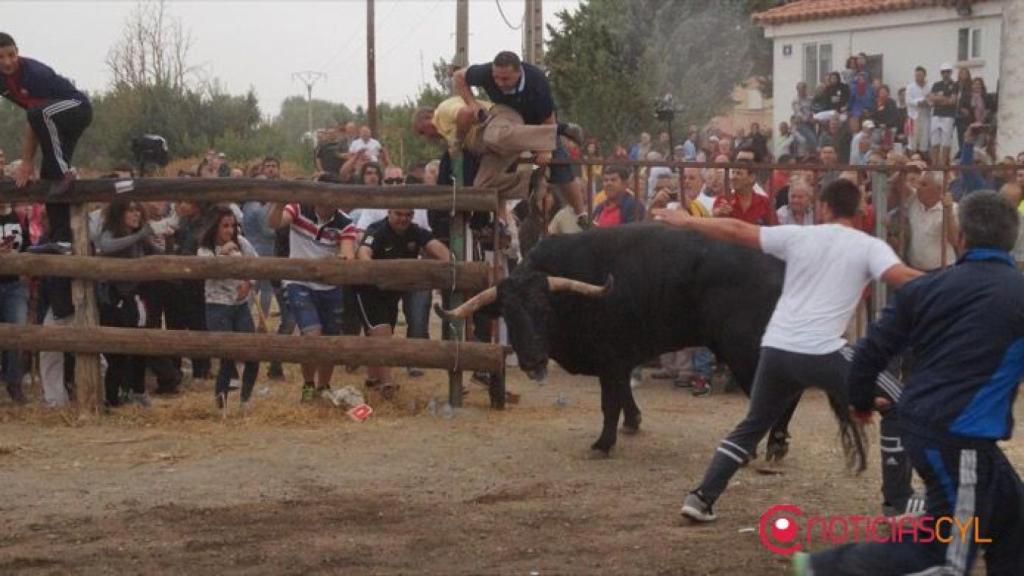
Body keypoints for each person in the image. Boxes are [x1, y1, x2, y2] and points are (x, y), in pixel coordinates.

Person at [654, 178, 921, 523]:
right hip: (823, 351)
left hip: (777, 348)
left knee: (753, 424)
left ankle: (702, 497)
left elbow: (737, 230)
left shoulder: (799, 235)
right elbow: (902, 278)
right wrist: (956, 281)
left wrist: (688, 220)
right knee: (900, 406)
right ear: (859, 211)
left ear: (823, 207)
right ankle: (898, 502)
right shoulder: (868, 246)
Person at [797, 191, 1024, 575]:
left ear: (961, 237)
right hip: (959, 435)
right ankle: (828, 568)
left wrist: (861, 401)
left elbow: (869, 351)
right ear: (1012, 239)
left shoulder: (926, 287)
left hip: (926, 423)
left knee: (1012, 515)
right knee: (947, 554)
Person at [0, 32, 92, 335]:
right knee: (51, 177)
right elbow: (35, 121)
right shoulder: (4, 81)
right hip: (50, 120)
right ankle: (63, 237)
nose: (8, 62)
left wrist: (26, 161)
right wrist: (32, 163)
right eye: (2, 57)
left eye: (11, 55)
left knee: (41, 117)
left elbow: (34, 119)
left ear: (18, 53)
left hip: (75, 109)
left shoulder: (35, 74)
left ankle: (66, 171)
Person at [454, 50, 589, 227]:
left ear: (519, 72)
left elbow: (548, 119)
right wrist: (472, 103)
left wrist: (546, 149)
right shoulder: (486, 72)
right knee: (482, 185)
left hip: (536, 126)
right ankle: (529, 179)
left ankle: (581, 214)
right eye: (496, 78)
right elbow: (458, 76)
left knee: (559, 164)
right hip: (507, 116)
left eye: (506, 79)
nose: (500, 83)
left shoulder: (537, 81)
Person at [267, 185, 357, 402]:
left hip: (330, 286)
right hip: (299, 282)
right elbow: (275, 223)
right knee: (312, 335)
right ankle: (308, 385)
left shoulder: (345, 223)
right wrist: (279, 201)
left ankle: (323, 386)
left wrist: (339, 261)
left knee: (330, 341)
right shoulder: (298, 207)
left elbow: (348, 256)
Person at [355, 209, 450, 398]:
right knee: (381, 333)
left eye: (408, 215)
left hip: (392, 293)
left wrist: (451, 265)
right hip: (368, 291)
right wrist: (374, 271)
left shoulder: (416, 231)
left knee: (381, 333)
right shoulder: (376, 230)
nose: (403, 219)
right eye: (399, 214)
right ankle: (388, 383)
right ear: (389, 213)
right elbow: (364, 253)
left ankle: (373, 378)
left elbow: (439, 249)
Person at [96, 202, 169, 408]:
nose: (136, 214)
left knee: (139, 346)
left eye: (138, 210)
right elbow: (107, 245)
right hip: (114, 301)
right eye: (130, 210)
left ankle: (137, 390)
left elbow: (158, 254)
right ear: (119, 213)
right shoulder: (111, 232)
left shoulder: (140, 239)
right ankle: (112, 399)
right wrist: (141, 234)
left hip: (134, 300)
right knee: (117, 353)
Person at [197, 207, 260, 412]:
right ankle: (221, 406)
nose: (230, 230)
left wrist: (249, 283)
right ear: (215, 227)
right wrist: (223, 255)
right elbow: (206, 269)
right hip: (217, 305)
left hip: (240, 304)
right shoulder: (205, 249)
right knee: (227, 355)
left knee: (252, 352)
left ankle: (245, 400)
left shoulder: (242, 243)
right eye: (225, 226)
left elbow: (258, 264)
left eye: (233, 225)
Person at [0, 200, 28, 403]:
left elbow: (26, 246)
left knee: (18, 333)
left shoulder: (17, 218)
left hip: (14, 283)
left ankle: (14, 383)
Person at [928, 63, 958, 167]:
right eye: (943, 72)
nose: (946, 74)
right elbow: (931, 98)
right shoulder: (936, 85)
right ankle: (934, 163)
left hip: (948, 116)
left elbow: (953, 101)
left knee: (946, 140)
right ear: (941, 73)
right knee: (934, 139)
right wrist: (945, 98)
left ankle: (942, 164)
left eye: (948, 72)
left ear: (951, 72)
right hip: (936, 115)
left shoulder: (954, 85)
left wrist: (940, 98)